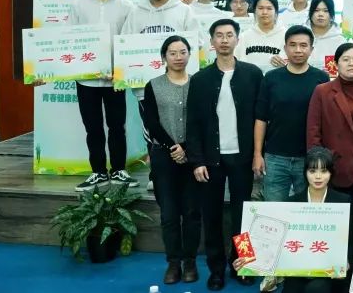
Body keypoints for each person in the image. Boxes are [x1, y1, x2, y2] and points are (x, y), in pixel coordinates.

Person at [186, 18, 264, 290]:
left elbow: (260, 117)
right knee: (212, 215)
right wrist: (196, 161)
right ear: (211, 42)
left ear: (237, 39)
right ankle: (216, 269)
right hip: (211, 160)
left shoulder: (253, 74)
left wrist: (258, 153)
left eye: (229, 35)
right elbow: (193, 124)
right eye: (219, 35)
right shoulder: (200, 79)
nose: (224, 40)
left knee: (244, 215)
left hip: (242, 157)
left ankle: (242, 265)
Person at [306, 42, 353, 255]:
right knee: (336, 222)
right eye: (346, 59)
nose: (352, 63)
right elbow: (313, 130)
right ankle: (334, 263)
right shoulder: (323, 91)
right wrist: (318, 167)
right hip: (335, 168)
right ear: (336, 64)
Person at [69, 0, 135, 191]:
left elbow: (129, 41)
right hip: (86, 79)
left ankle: (118, 170)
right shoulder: (78, 5)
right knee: (92, 127)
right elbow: (70, 38)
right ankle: (97, 172)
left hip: (115, 78)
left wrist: (120, 71)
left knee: (117, 126)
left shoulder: (127, 6)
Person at [141, 35, 201, 285]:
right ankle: (173, 262)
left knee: (192, 212)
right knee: (169, 213)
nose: (178, 57)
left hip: (193, 157)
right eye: (173, 53)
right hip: (163, 157)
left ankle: (190, 262)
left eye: (183, 52)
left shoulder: (198, 84)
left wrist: (185, 148)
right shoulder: (153, 85)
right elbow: (151, 121)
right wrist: (172, 147)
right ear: (163, 57)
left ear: (189, 54)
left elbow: (203, 119)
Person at [253, 25, 330, 202]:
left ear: (311, 49)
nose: (298, 50)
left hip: (310, 158)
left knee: (307, 210)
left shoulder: (321, 79)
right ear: (285, 47)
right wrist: (257, 154)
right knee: (274, 211)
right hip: (275, 158)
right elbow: (261, 118)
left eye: (303, 45)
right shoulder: (271, 78)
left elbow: (326, 121)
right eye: (293, 45)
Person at [279, 147, 352, 293]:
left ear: (331, 173)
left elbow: (350, 237)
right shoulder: (292, 203)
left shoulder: (343, 202)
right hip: (298, 267)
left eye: (324, 171)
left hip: (329, 270)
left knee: (317, 288)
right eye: (312, 171)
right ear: (305, 173)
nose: (318, 177)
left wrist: (346, 260)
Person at [238, 0, 287, 71]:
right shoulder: (244, 36)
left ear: (276, 12)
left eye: (269, 8)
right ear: (254, 11)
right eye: (260, 8)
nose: (264, 12)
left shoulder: (286, 36)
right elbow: (238, 62)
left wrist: (283, 62)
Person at [307, 0, 344, 73]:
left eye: (325, 11)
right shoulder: (301, 35)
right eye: (316, 10)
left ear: (331, 14)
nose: (320, 14)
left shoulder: (340, 41)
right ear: (311, 13)